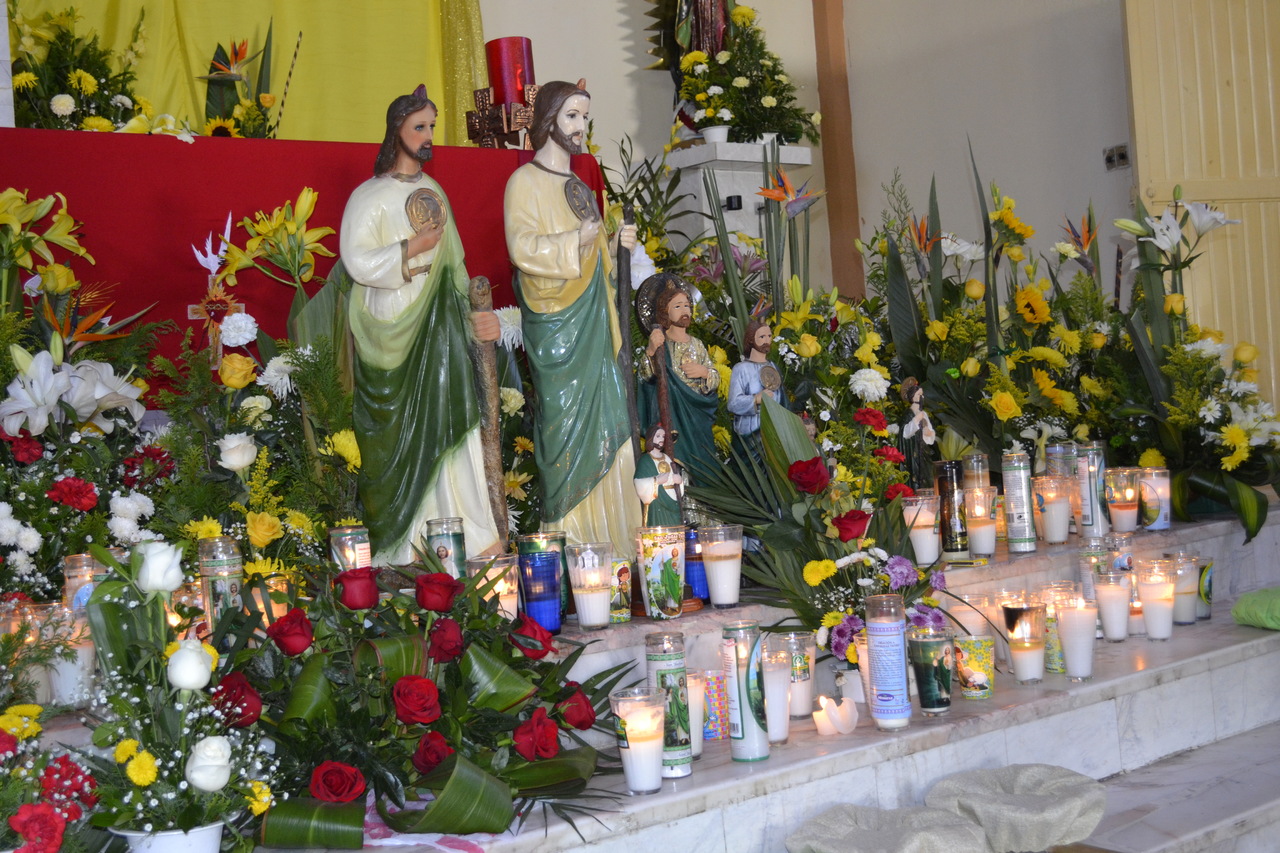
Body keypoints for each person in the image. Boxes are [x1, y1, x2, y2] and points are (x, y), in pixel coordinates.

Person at [341, 85, 500, 566]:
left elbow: (455, 262)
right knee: (399, 432)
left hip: (441, 325)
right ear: (397, 130)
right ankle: (406, 544)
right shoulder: (369, 196)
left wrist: (474, 313)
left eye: (432, 126)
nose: (428, 136)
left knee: (451, 415)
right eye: (419, 127)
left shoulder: (435, 192)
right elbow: (356, 260)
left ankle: (468, 532)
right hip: (393, 322)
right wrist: (411, 248)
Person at [503, 80, 641, 556]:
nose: (581, 126)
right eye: (572, 116)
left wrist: (615, 248)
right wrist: (574, 241)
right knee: (563, 429)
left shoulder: (580, 187)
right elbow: (521, 249)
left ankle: (616, 542)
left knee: (611, 419)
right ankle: (573, 541)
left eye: (585, 116)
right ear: (548, 120)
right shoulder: (524, 182)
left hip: (595, 326)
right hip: (558, 326)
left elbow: (597, 265)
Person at [638, 280, 720, 480]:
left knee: (703, 466)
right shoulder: (661, 343)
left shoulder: (697, 344)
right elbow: (645, 377)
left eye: (687, 306)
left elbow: (715, 377)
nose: (685, 311)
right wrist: (651, 350)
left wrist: (704, 372)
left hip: (696, 414)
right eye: (677, 306)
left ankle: (701, 498)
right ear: (665, 312)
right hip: (673, 414)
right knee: (674, 466)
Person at [727, 320, 783, 459]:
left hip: (772, 433)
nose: (767, 341)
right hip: (749, 435)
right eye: (762, 337)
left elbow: (782, 400)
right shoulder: (741, 369)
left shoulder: (774, 367)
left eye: (769, 336)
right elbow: (733, 403)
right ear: (751, 339)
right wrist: (755, 399)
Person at [635, 423, 684, 527]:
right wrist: (656, 481)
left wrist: (679, 480)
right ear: (651, 438)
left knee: (675, 527)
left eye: (663, 436)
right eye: (658, 436)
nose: (661, 439)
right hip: (657, 500)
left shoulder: (666, 457)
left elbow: (674, 475)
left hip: (673, 499)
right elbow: (638, 482)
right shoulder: (645, 460)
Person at [899, 377, 937, 490]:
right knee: (915, 476)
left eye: (922, 394)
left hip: (923, 450)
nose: (922, 397)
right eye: (919, 394)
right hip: (912, 451)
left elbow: (930, 433)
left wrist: (928, 433)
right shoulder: (908, 414)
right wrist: (916, 420)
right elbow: (905, 433)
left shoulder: (923, 413)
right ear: (913, 397)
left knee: (927, 475)